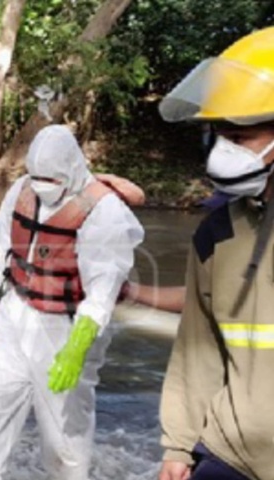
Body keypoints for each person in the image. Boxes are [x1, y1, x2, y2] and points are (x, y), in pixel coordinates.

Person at [0, 125, 144, 479]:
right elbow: (3, 249)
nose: (43, 184)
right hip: (15, 313)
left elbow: (103, 290)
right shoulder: (23, 190)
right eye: (37, 175)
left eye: (52, 178)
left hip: (68, 325)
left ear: (73, 168)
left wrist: (76, 349)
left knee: (63, 432)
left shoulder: (105, 213)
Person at [156, 26, 274, 480]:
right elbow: (197, 346)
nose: (223, 150)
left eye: (241, 136)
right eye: (219, 135)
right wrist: (179, 447)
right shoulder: (217, 232)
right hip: (230, 453)